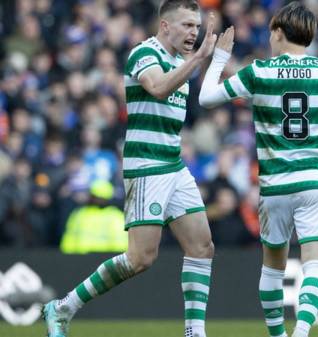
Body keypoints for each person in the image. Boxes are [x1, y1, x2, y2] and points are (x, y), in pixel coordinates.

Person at [42, 1, 218, 337]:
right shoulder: (144, 53)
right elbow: (157, 87)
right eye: (186, 25)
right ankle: (63, 307)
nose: (193, 33)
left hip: (174, 164)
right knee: (140, 258)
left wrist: (206, 59)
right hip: (147, 165)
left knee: (202, 246)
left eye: (196, 27)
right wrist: (200, 58)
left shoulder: (181, 62)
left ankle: (195, 332)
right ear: (165, 26)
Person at [197, 3, 318, 337]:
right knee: (315, 264)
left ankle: (277, 334)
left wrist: (219, 57)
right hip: (315, 182)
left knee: (273, 268)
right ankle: (302, 331)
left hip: (274, 185)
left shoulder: (259, 71)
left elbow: (206, 99)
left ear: (278, 32)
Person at [60, 180, 127, 254]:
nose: (97, 199)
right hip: (79, 259)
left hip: (104, 262)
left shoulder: (115, 217)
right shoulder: (79, 214)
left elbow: (120, 245)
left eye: (100, 197)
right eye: (95, 196)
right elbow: (69, 239)